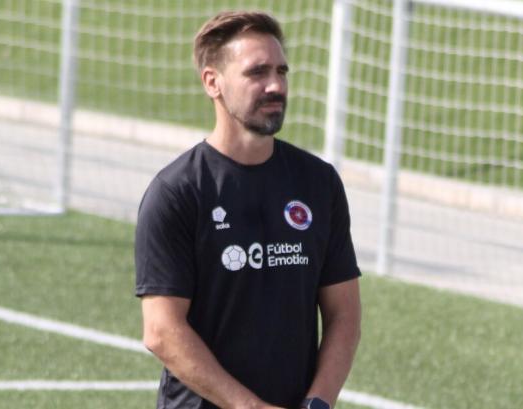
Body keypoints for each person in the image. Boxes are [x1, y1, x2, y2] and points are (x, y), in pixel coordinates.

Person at [135, 10, 361, 409]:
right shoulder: (178, 192)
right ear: (213, 83)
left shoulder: (318, 183)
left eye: (281, 70)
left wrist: (318, 402)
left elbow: (344, 315)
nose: (276, 85)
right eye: (257, 72)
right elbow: (162, 330)